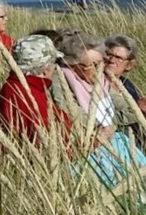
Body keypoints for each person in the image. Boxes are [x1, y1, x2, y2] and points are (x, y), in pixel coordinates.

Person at [50, 31, 146, 194]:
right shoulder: (62, 82)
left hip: (112, 140)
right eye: (91, 65)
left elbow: (117, 105)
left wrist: (137, 107)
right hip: (89, 148)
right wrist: (110, 125)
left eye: (99, 63)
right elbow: (78, 117)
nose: (98, 69)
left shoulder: (101, 79)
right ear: (73, 65)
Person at [0, 35, 73, 145]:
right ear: (45, 69)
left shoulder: (11, 86)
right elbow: (56, 142)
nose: (55, 68)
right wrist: (95, 140)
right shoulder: (32, 97)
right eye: (55, 63)